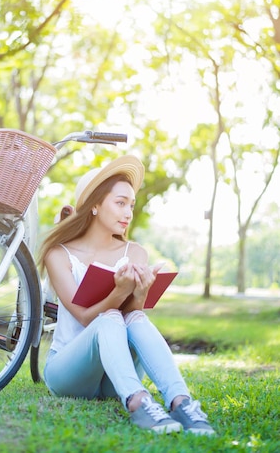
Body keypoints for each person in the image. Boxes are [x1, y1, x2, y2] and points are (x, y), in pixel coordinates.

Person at [38, 156, 215, 435]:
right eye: (120, 203)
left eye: (131, 205)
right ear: (95, 205)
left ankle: (182, 403)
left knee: (136, 318)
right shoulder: (59, 254)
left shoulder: (134, 252)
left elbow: (131, 313)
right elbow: (85, 317)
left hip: (114, 376)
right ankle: (139, 403)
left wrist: (139, 294)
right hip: (68, 373)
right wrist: (119, 290)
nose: (128, 213)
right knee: (108, 317)